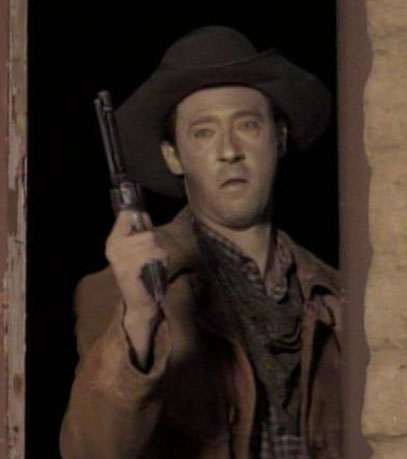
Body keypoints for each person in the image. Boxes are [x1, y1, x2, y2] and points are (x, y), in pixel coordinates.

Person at [60, 26, 344, 459]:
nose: (229, 151)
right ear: (173, 155)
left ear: (279, 137)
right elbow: (91, 452)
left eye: (248, 125)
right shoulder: (122, 292)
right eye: (204, 132)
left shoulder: (337, 296)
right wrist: (138, 320)